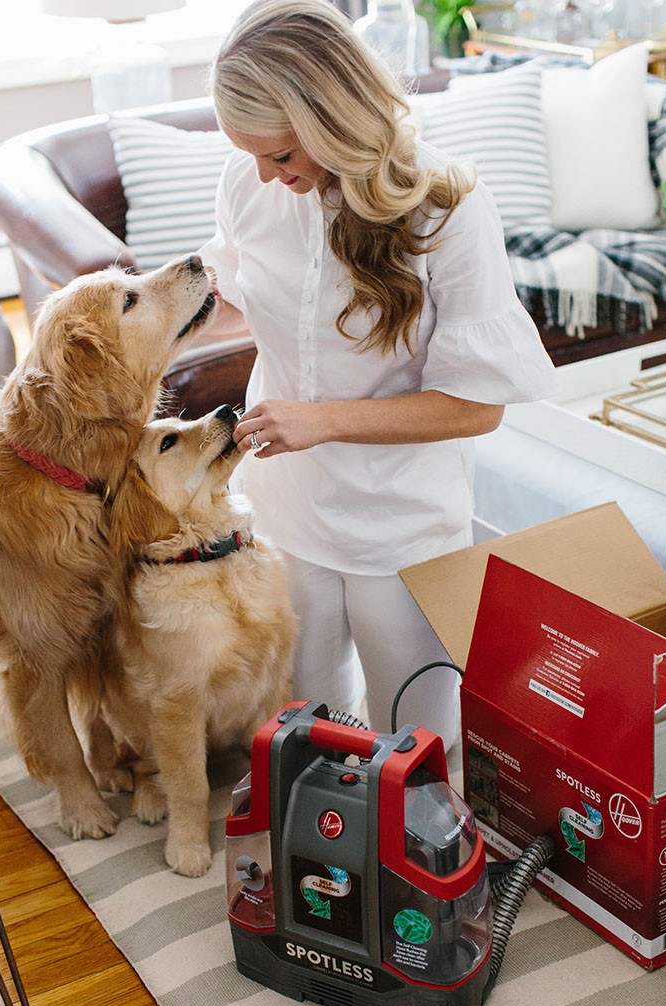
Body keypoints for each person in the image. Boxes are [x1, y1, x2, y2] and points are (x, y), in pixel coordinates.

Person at [199, 0, 557, 751]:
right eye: (252, 155)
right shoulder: (248, 183)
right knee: (309, 739)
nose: (265, 176)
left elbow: (476, 408)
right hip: (283, 509)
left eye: (282, 155)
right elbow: (240, 294)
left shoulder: (446, 208)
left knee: (420, 748)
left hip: (400, 525)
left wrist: (320, 419)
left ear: (333, 119)